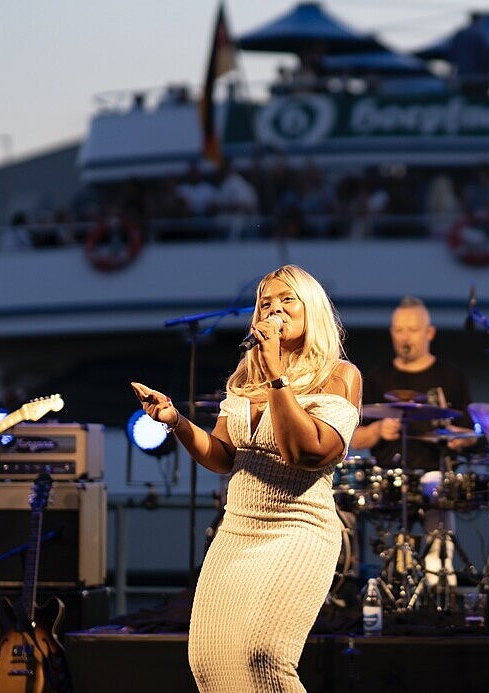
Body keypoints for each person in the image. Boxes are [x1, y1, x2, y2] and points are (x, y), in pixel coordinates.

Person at [131, 264, 361, 693]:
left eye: (286, 300)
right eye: (265, 303)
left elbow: (306, 453)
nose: (274, 310)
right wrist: (175, 421)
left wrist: (278, 377)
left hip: (299, 531)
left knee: (264, 654)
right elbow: (223, 457)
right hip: (237, 530)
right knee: (209, 661)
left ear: (310, 308)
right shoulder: (244, 377)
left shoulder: (339, 375)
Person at [350, 296, 479, 593]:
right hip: (387, 477)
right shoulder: (376, 378)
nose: (404, 337)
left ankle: (439, 581)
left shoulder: (451, 376)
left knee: (436, 489)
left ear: (429, 333)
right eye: (398, 330)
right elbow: (354, 439)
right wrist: (379, 429)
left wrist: (452, 434)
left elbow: (471, 436)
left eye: (411, 329)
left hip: (434, 474)